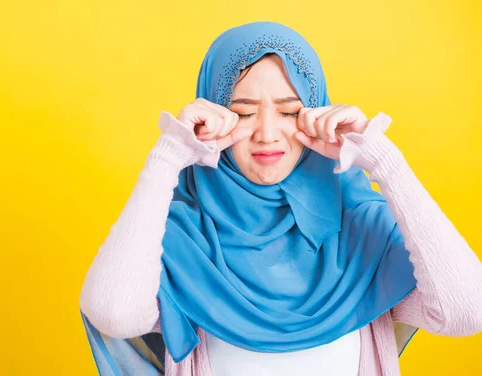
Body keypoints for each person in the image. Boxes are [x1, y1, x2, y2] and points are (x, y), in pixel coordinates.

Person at [79, 21, 482, 375]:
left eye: (290, 111)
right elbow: (114, 313)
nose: (268, 134)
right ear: (213, 112)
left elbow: (466, 311)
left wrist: (383, 160)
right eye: (243, 110)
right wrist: (169, 155)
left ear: (317, 112)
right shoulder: (183, 239)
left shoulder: (361, 230)